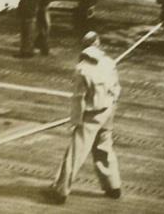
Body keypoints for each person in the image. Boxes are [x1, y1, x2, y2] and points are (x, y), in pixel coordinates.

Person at [48, 31, 122, 203]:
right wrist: (111, 104)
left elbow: (78, 99)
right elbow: (117, 88)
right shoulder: (109, 63)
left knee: (76, 153)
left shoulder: (82, 69)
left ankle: (61, 191)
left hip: (91, 115)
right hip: (108, 110)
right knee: (104, 147)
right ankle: (113, 186)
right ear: (97, 44)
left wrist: (75, 121)